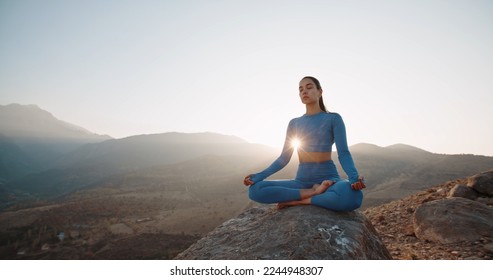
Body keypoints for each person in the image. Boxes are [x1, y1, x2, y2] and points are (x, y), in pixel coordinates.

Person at [243, 76, 366, 211]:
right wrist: (259, 176)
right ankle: (313, 193)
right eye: (300, 90)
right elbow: (283, 158)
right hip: (301, 182)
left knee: (353, 196)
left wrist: (354, 177)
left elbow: (343, 153)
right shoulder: (294, 123)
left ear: (320, 91)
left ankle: (301, 201)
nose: (304, 92)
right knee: (256, 190)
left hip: (329, 180)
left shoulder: (333, 119)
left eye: (309, 87)